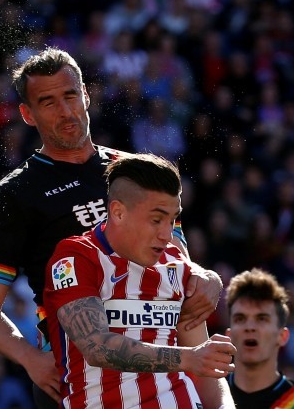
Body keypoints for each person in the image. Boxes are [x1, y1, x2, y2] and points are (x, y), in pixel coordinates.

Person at [0, 47, 225, 406]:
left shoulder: (136, 171)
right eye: (48, 102)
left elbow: (175, 255)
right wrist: (31, 359)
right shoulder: (13, 194)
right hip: (77, 371)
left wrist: (203, 275)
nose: (66, 111)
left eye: (71, 95)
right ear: (27, 114)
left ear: (86, 95)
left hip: (161, 361)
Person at [43, 153, 236, 408]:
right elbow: (98, 348)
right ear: (118, 212)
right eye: (156, 220)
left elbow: (206, 368)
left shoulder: (176, 262)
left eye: (172, 219)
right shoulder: (75, 258)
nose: (167, 234)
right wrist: (189, 359)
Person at [225, 268, 294, 408]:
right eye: (240, 319)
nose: (250, 327)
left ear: (282, 336)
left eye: (261, 319)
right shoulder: (205, 398)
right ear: (229, 336)